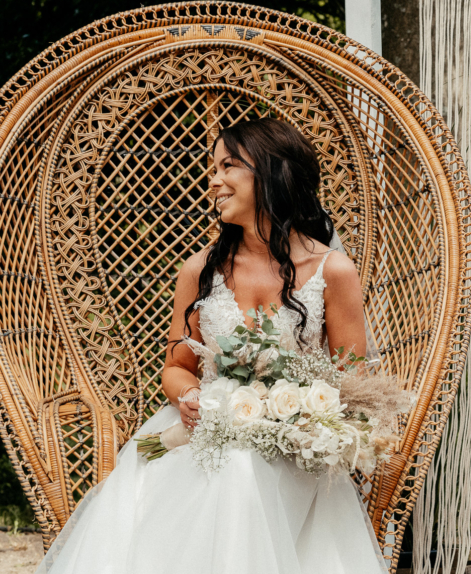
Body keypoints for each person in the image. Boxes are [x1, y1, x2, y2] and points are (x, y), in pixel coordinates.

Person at [36, 119, 387, 574]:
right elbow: (177, 366)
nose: (213, 180)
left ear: (272, 173)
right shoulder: (200, 270)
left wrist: (295, 415)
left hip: (295, 451)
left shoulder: (333, 271)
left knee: (240, 472)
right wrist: (189, 396)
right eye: (211, 167)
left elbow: (352, 385)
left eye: (228, 166)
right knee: (195, 469)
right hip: (203, 430)